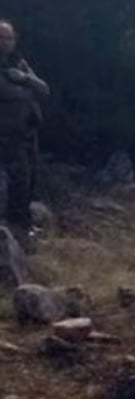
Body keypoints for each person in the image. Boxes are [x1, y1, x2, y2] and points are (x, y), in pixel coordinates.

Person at [0, 20, 47, 237]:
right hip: (8, 135)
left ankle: (24, 225)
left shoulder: (20, 64)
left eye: (9, 38)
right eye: (1, 37)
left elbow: (45, 91)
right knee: (18, 179)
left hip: (29, 132)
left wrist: (26, 79)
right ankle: (15, 228)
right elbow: (10, 94)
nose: (5, 42)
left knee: (31, 179)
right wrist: (26, 89)